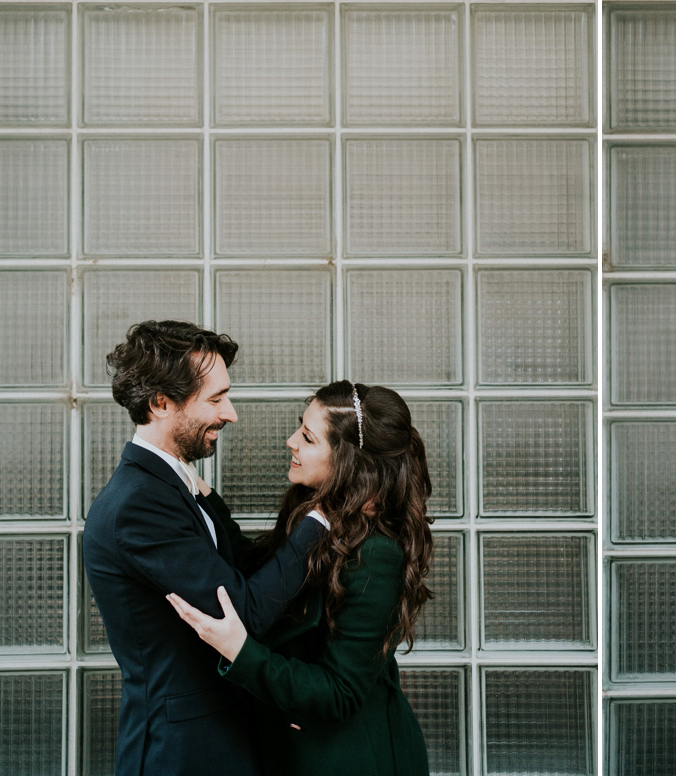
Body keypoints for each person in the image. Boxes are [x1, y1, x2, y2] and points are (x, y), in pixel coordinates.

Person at [83, 320, 327, 776]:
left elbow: (240, 568)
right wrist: (323, 519)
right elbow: (241, 612)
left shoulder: (169, 486)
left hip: (222, 736)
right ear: (161, 403)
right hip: (184, 752)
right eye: (215, 399)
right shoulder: (141, 504)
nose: (230, 413)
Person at [167, 380, 434, 776]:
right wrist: (204, 501)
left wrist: (240, 651)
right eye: (299, 427)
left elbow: (340, 692)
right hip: (305, 750)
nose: (292, 441)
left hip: (354, 758)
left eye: (308, 437)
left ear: (349, 461)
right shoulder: (318, 513)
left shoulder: (377, 552)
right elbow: (265, 571)